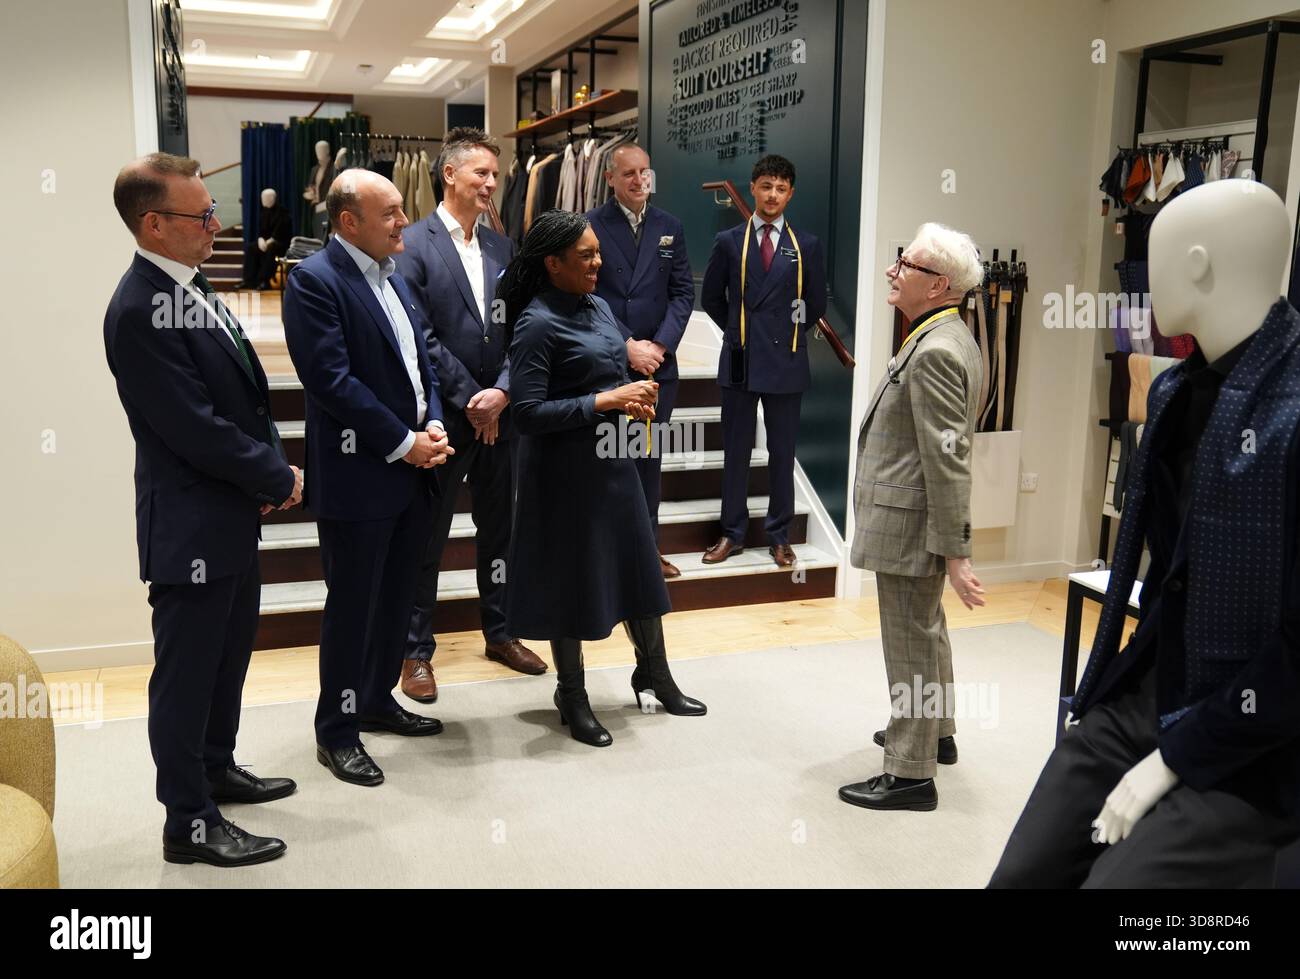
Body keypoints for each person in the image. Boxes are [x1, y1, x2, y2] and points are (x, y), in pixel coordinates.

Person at [990, 181, 1300, 887]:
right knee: (1023, 873)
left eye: (1151, 257)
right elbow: (1169, 579)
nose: (1141, 280)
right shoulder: (1171, 394)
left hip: (1258, 730)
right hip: (1148, 690)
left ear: (1196, 263)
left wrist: (1177, 758)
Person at [105, 152, 302, 867]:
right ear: (153, 224)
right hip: (190, 523)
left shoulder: (190, 284)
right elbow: (195, 428)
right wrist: (275, 473)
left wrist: (264, 473)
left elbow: (241, 396)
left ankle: (216, 769)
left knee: (226, 659)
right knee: (186, 678)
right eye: (202, 215)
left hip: (229, 513)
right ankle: (187, 822)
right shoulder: (138, 309)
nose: (217, 226)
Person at [499, 210, 707, 747]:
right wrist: (607, 400)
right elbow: (526, 414)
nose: (599, 262)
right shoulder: (536, 322)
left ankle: (655, 675)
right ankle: (572, 695)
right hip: (562, 476)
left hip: (616, 461)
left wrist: (631, 404)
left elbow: (611, 371)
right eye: (586, 255)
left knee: (639, 568)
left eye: (598, 252)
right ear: (553, 263)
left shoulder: (597, 306)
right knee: (570, 582)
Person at [282, 169, 453, 788]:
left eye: (402, 209)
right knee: (353, 609)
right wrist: (405, 443)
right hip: (359, 475)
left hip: (413, 472)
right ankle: (337, 731)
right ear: (348, 221)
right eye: (391, 212)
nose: (404, 220)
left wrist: (433, 421)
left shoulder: (395, 276)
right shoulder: (313, 280)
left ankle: (377, 700)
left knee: (395, 601)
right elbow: (332, 382)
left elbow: (421, 363)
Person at [395, 127, 546, 703]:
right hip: (444, 418)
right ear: (450, 174)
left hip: (500, 417)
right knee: (427, 538)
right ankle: (415, 650)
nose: (491, 184)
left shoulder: (505, 249)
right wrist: (472, 399)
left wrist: (502, 391)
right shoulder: (412, 244)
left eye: (495, 175)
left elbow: (524, 327)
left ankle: (501, 633)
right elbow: (420, 336)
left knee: (500, 532)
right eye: (482, 173)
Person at [839, 222, 985, 813]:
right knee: (927, 630)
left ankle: (909, 774)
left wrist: (957, 553)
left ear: (939, 284)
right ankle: (937, 734)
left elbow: (949, 461)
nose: (892, 271)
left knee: (910, 645)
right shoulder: (944, 335)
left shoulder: (936, 352)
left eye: (906, 264)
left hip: (910, 527)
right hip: (912, 522)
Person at [700, 154, 827, 568]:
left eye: (781, 188)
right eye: (766, 186)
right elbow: (711, 298)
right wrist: (740, 333)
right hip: (740, 359)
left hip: (786, 361)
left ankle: (779, 536)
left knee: (781, 453)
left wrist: (785, 332)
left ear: (790, 194)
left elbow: (814, 304)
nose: (773, 195)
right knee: (735, 452)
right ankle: (731, 533)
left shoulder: (805, 245)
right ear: (753, 188)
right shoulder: (729, 241)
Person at [586, 143, 694, 579]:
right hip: (609, 363)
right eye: (628, 173)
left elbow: (683, 293)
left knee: (648, 462)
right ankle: (607, 555)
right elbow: (586, 294)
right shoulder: (590, 225)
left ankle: (648, 553)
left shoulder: (670, 226)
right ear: (610, 178)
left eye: (644, 172)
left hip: (658, 367)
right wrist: (628, 344)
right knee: (610, 462)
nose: (638, 180)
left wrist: (660, 347)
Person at [239, 187, 292, 290]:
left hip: (279, 243)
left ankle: (264, 281)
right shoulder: (264, 212)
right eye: (262, 197)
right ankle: (248, 280)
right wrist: (261, 240)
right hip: (266, 242)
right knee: (251, 248)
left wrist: (269, 242)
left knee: (271, 249)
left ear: (273, 198)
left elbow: (281, 232)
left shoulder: (283, 213)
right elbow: (262, 231)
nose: (263, 200)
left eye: (266, 198)